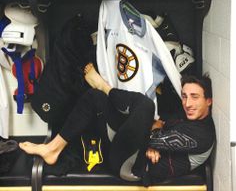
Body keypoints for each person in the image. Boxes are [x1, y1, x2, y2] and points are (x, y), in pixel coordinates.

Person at [19, 63, 215, 184]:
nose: (187, 103)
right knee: (95, 98)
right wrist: (153, 137)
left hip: (132, 168)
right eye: (184, 96)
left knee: (145, 105)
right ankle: (53, 148)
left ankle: (105, 86)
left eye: (195, 97)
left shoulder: (203, 136)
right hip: (129, 148)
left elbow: (156, 133)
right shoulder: (186, 115)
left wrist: (152, 142)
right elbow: (158, 127)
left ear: (209, 100)